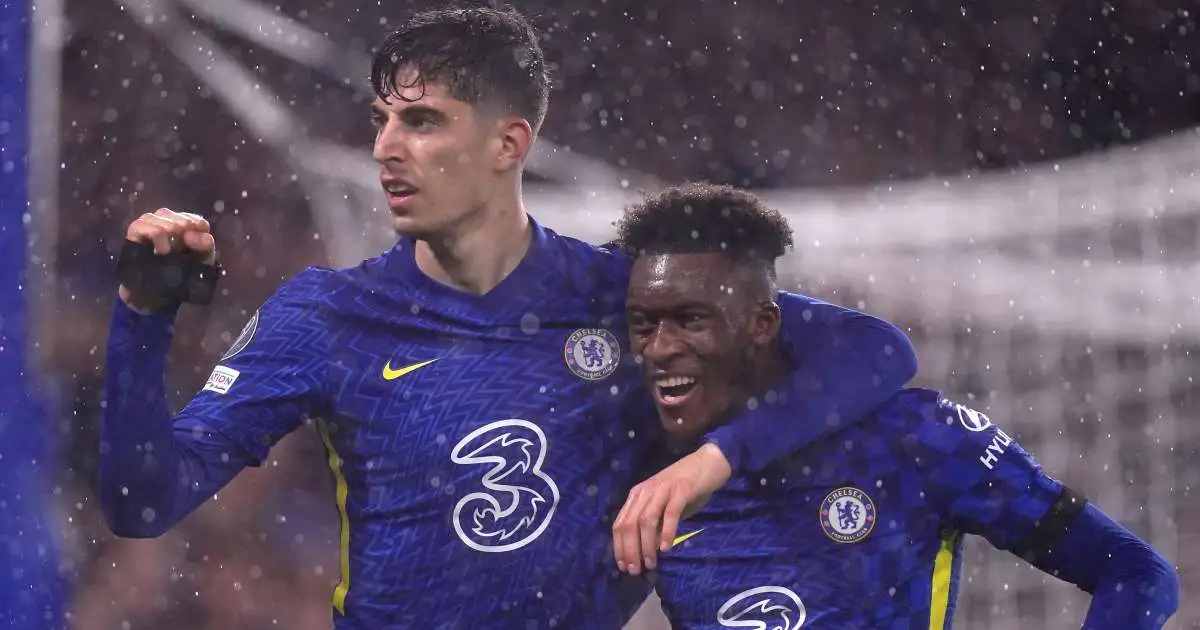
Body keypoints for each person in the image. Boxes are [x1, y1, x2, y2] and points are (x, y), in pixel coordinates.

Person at [100, 7, 917, 629]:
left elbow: (873, 351)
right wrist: (141, 321)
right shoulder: (326, 314)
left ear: (508, 143)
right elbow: (143, 501)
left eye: (421, 121)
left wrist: (712, 462)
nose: (387, 146)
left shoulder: (624, 299)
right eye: (381, 119)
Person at [614, 182, 1180, 629]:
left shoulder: (914, 439)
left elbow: (1134, 575)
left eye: (691, 319)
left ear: (763, 323)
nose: (660, 349)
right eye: (644, 324)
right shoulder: (633, 469)